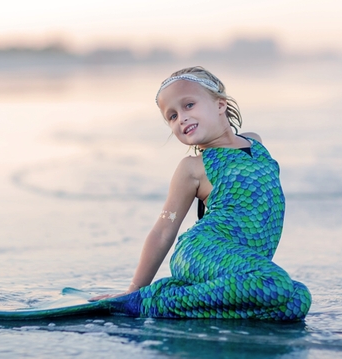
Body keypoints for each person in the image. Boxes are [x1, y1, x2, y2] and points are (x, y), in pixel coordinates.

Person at [91, 66, 311, 321]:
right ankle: (143, 301)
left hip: (237, 266)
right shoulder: (193, 168)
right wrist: (134, 288)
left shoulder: (256, 143)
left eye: (189, 105)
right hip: (199, 252)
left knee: (297, 300)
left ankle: (178, 295)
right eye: (171, 116)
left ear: (220, 105)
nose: (181, 118)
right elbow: (164, 229)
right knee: (277, 284)